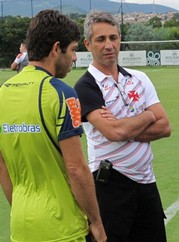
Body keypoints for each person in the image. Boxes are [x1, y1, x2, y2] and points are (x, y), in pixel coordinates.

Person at [0, 10, 106, 242]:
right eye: (74, 49)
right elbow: (76, 168)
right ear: (56, 49)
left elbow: (3, 166)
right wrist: (96, 221)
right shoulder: (62, 94)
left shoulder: (3, 92)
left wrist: (22, 208)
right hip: (63, 228)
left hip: (21, 225)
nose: (75, 58)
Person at [74, 10, 171, 242]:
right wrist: (148, 116)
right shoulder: (85, 87)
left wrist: (126, 128)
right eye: (101, 39)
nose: (109, 45)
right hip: (110, 184)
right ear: (88, 44)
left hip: (147, 181)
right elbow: (114, 132)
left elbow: (165, 127)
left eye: (113, 38)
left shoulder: (139, 78)